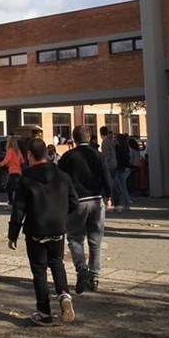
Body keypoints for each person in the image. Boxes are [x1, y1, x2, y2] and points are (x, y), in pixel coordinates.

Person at [8, 137, 79, 326]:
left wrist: (12, 234)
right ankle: (64, 294)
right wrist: (61, 214)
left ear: (30, 155)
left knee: (39, 270)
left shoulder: (26, 178)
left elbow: (19, 209)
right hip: (57, 227)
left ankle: (44, 312)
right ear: (47, 153)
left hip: (35, 229)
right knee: (57, 263)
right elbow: (74, 202)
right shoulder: (62, 175)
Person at [57, 126, 113, 294]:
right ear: (89, 137)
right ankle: (95, 278)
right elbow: (107, 178)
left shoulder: (67, 157)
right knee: (96, 239)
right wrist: (108, 196)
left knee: (75, 238)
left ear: (74, 138)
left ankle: (82, 268)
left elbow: (60, 181)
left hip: (76, 201)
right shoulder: (98, 155)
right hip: (96, 200)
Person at [0, 136, 25, 207]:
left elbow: (6, 160)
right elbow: (22, 161)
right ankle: (12, 201)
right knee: (11, 187)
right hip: (17, 172)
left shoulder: (10, 150)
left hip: (13, 172)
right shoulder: (18, 151)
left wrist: (0, 164)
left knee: (11, 188)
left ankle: (13, 202)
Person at [113, 134, 132, 211]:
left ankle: (127, 202)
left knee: (121, 186)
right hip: (124, 168)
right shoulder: (126, 147)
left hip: (118, 167)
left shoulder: (118, 148)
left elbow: (116, 157)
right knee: (122, 186)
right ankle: (127, 201)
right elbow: (128, 157)